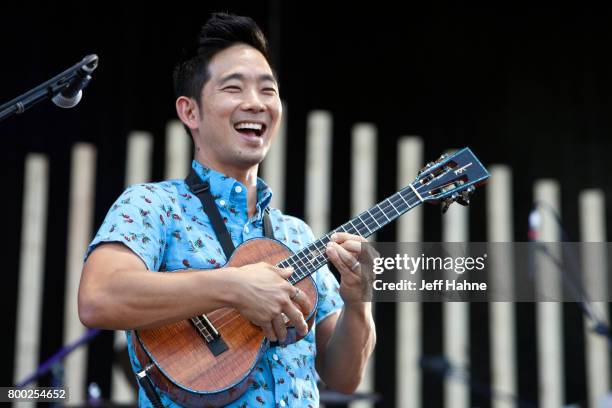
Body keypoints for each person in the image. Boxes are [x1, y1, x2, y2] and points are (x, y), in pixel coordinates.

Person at [78, 12, 376, 407]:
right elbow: (98, 297)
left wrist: (359, 300)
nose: (255, 103)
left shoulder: (298, 235)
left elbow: (344, 376)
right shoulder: (153, 205)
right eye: (234, 88)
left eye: (267, 91)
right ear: (190, 112)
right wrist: (234, 287)